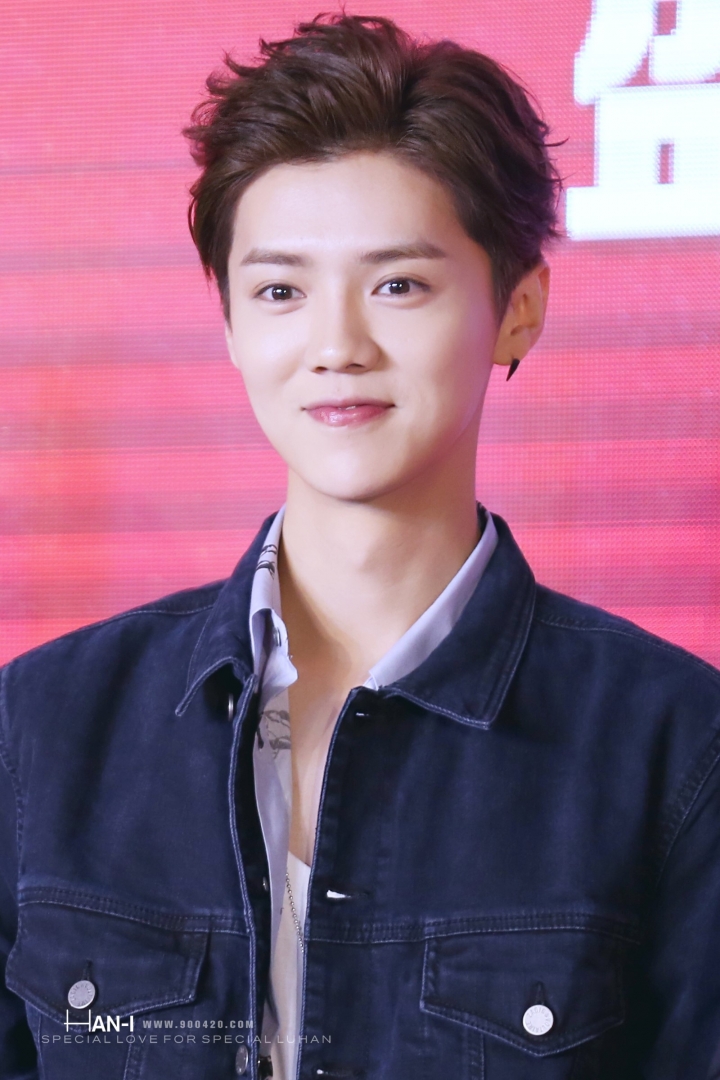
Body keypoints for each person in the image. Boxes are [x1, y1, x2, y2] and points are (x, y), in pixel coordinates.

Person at [1, 12, 719, 1080]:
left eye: (398, 285)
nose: (335, 346)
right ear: (231, 323)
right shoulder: (43, 726)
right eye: (280, 291)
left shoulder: (673, 744)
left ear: (519, 309)